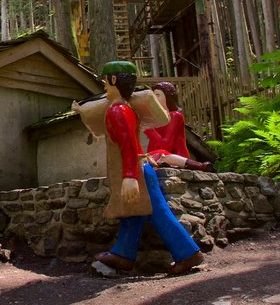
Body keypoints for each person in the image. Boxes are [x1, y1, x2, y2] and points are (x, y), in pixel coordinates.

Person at [89, 61, 204, 275]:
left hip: (137, 170)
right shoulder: (124, 108)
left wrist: (130, 176)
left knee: (157, 212)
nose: (104, 84)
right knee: (133, 212)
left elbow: (129, 145)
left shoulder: (118, 110)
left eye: (105, 80)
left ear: (113, 80)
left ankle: (188, 253)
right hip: (136, 168)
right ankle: (123, 254)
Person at [144, 81, 213, 172]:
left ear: (167, 97)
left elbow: (166, 145)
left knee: (161, 155)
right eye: (153, 95)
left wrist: (150, 131)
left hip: (174, 156)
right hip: (158, 157)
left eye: (158, 95)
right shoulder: (155, 119)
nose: (155, 98)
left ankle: (199, 165)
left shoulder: (175, 116)